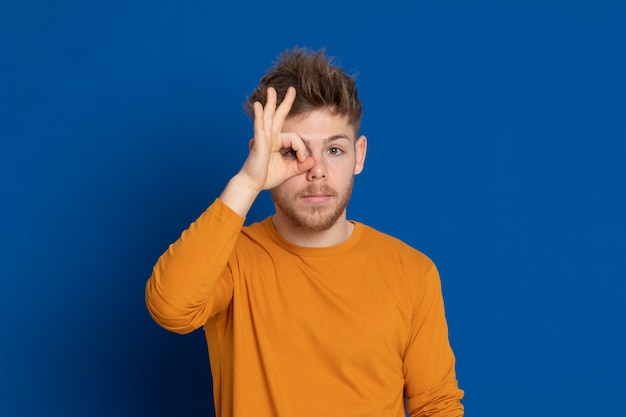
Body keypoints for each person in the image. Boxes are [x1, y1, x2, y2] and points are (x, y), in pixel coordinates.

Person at [145, 47, 464, 417]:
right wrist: (248, 182)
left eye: (334, 149)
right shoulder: (231, 259)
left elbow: (437, 405)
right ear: (262, 155)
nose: (316, 170)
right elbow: (169, 308)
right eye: (294, 151)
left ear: (359, 155)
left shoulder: (412, 273)